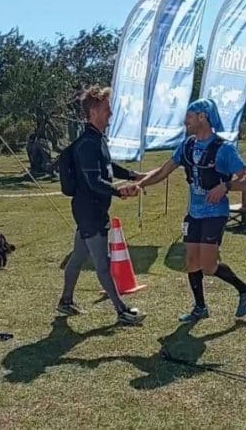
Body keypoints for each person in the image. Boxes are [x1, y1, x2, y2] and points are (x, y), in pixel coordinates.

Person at [133, 98, 246, 322]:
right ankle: (200, 308)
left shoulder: (225, 149)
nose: (185, 122)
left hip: (215, 213)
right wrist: (139, 184)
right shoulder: (187, 145)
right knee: (191, 261)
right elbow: (163, 171)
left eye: (189, 117)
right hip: (194, 213)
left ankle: (245, 290)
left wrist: (227, 185)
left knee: (209, 266)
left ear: (203, 117)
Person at [58, 86, 146, 325]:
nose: (111, 114)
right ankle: (122, 311)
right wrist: (119, 191)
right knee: (103, 263)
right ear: (94, 111)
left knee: (78, 256)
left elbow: (108, 166)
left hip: (91, 209)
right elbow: (93, 180)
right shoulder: (87, 144)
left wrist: (132, 175)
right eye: (107, 109)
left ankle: (65, 301)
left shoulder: (97, 139)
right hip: (90, 211)